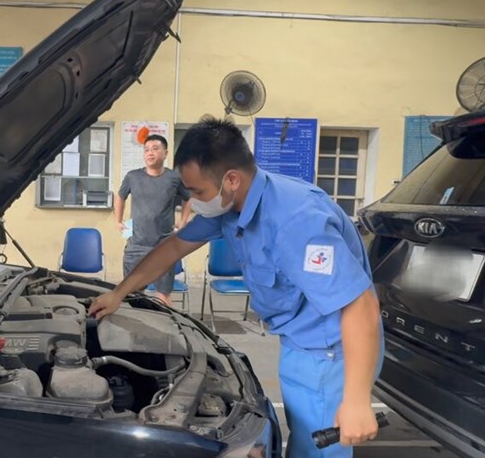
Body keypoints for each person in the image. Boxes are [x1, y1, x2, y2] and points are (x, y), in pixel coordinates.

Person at [90, 116, 384, 457]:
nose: (194, 201)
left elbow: (360, 306)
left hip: (331, 351)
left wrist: (357, 400)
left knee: (318, 450)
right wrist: (118, 293)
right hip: (298, 342)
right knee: (302, 440)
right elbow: (173, 247)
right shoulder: (232, 205)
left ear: (231, 179)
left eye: (198, 191)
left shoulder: (296, 220)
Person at [115, 134, 192, 306]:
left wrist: (183, 220)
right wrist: (118, 220)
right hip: (136, 244)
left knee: (162, 295)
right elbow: (120, 196)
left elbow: (189, 198)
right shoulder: (132, 177)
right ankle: (135, 327)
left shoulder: (174, 178)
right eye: (147, 150)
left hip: (163, 245)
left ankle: (165, 329)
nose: (150, 153)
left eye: (155, 149)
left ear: (165, 153)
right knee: (132, 293)